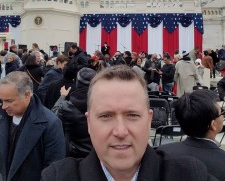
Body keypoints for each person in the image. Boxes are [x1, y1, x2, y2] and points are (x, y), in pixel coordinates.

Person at [41, 66, 217, 181]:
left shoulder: (189, 175)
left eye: (132, 115)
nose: (120, 131)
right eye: (106, 116)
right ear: (89, 122)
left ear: (149, 121)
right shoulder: (58, 177)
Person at [0, 71, 65, 181]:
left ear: (26, 95)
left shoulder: (50, 124)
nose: (4, 106)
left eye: (9, 101)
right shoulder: (3, 117)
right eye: (2, 101)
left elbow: (54, 170)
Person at [157, 90, 225, 181]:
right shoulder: (222, 160)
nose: (223, 117)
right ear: (213, 125)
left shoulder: (162, 153)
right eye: (222, 113)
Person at [52, 67, 97, 159]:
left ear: (77, 83)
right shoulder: (105, 104)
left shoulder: (66, 107)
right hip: (100, 152)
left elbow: (53, 116)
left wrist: (62, 96)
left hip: (76, 154)